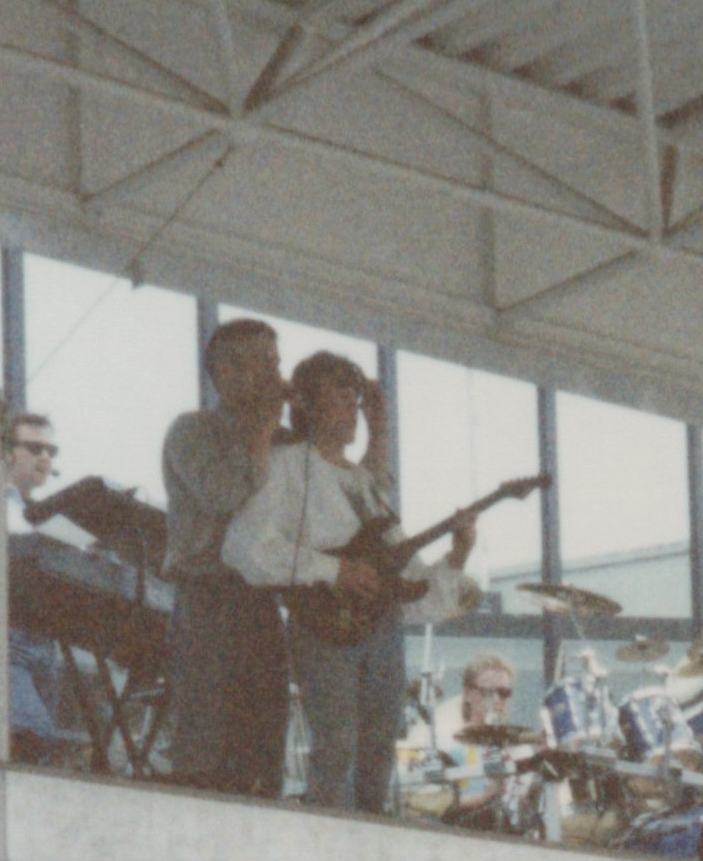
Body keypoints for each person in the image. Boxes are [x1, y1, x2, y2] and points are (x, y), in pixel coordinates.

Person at [223, 351, 476, 815]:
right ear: (308, 407)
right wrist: (333, 570)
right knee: (336, 744)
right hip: (325, 626)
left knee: (380, 745)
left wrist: (458, 553)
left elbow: (410, 585)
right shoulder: (285, 466)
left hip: (380, 628)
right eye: (338, 399)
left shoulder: (364, 482)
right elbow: (243, 547)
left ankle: (371, 841)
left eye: (354, 400)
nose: (351, 410)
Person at [161, 317, 292, 796]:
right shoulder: (191, 431)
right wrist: (262, 432)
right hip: (208, 598)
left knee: (263, 745)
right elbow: (223, 494)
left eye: (277, 365)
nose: (277, 377)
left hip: (262, 601)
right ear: (225, 372)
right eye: (265, 365)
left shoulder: (283, 442)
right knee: (209, 744)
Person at [0, 408, 79, 764]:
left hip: (43, 640)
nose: (45, 457)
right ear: (8, 452)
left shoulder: (50, 518)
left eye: (51, 452)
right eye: (35, 448)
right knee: (30, 728)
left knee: (35, 750)